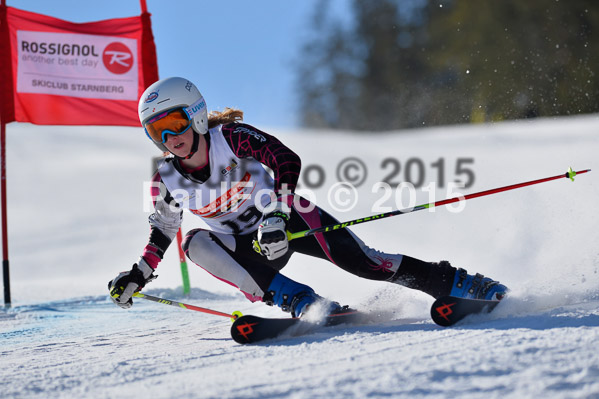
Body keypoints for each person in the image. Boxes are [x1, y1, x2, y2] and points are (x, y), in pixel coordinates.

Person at [108, 77, 507, 317]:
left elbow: (285, 158)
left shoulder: (229, 138)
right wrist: (138, 275)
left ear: (194, 114)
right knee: (195, 243)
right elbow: (162, 232)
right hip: (247, 247)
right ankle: (299, 301)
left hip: (288, 220)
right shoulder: (164, 179)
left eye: (174, 122)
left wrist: (277, 214)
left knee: (368, 264)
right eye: (156, 131)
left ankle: (460, 283)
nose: (169, 137)